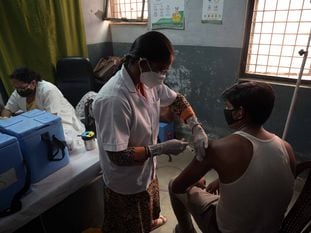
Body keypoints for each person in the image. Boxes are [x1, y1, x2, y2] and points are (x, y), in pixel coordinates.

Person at [92, 31, 208, 233]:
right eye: (161, 70)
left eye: (166, 70)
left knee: (148, 201)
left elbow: (177, 100)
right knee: (131, 221)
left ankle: (149, 221)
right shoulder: (114, 99)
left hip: (147, 168)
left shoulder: (148, 82)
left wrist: (195, 126)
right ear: (142, 63)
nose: (163, 75)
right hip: (125, 180)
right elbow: (117, 155)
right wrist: (160, 148)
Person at [169, 81, 296, 233]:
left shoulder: (218, 148)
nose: (226, 111)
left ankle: (186, 230)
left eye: (229, 107)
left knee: (172, 184)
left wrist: (196, 181)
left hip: (225, 229)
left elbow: (179, 186)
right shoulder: (286, 148)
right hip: (272, 229)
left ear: (239, 112)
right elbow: (263, 180)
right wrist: (222, 180)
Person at [1, 67, 85, 147]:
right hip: (37, 125)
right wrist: (4, 120)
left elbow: (51, 119)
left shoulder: (48, 90)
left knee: (62, 143)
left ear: (33, 83)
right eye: (16, 88)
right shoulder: (18, 93)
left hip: (62, 122)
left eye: (22, 88)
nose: (19, 91)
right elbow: (8, 109)